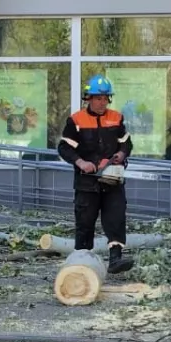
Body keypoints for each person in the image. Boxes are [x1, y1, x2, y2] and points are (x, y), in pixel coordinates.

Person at [58, 75, 135, 275]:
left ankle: (116, 259)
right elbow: (64, 148)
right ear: (89, 98)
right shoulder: (76, 120)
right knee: (85, 222)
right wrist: (80, 162)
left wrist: (122, 153)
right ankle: (81, 263)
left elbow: (126, 143)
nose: (102, 102)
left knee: (116, 218)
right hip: (87, 182)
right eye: (98, 98)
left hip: (112, 180)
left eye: (105, 98)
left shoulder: (116, 118)